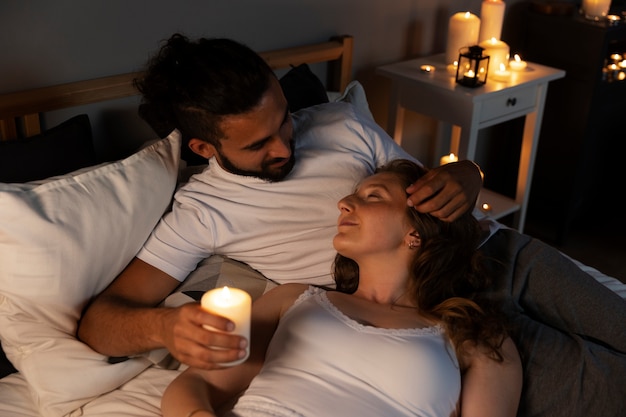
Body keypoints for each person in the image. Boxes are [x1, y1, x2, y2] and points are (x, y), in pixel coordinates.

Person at [77, 34, 484, 370]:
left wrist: (470, 173)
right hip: (431, 317)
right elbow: (99, 324)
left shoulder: (340, 124)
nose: (285, 147)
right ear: (205, 147)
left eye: (284, 119)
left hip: (491, 249)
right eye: (258, 145)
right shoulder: (203, 212)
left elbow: (426, 188)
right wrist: (164, 328)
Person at [160, 159, 523, 417]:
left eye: (373, 197)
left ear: (416, 231)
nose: (344, 203)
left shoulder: (477, 337)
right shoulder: (294, 299)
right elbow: (196, 386)